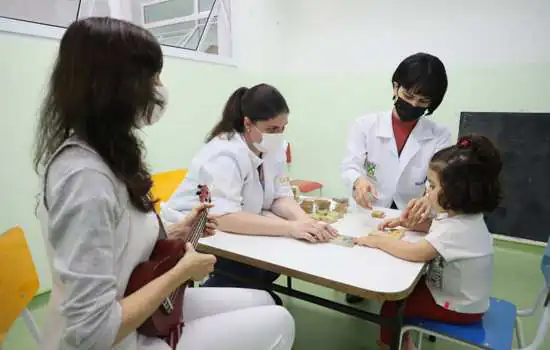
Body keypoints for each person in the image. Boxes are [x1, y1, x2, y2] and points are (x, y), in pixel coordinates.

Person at [34, 17, 294, 350]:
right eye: (152, 76)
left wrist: (176, 233)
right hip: (120, 339)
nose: (160, 88)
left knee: (264, 302)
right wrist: (180, 272)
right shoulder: (84, 178)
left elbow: (117, 247)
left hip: (139, 306)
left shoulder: (109, 154)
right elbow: (91, 332)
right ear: (114, 85)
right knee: (279, 321)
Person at [161, 83, 338, 296]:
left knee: (268, 267)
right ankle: (215, 293)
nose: (279, 134)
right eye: (272, 129)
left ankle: (247, 291)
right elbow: (224, 217)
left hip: (238, 224)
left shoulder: (273, 148)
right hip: (196, 232)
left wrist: (305, 222)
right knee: (251, 270)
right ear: (248, 124)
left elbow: (280, 196)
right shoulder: (224, 154)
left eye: (283, 127)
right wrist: (290, 228)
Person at [354, 135, 502, 349]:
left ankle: (393, 345)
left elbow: (416, 252)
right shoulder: (463, 217)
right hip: (460, 294)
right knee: (403, 285)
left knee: (392, 308)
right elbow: (435, 227)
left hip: (460, 307)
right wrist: (405, 224)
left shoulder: (456, 228)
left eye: (432, 186)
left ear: (457, 192)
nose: (426, 191)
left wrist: (377, 241)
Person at [340, 52, 453, 303]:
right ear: (395, 87)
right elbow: (350, 165)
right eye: (408, 95)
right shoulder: (365, 125)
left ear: (432, 104)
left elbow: (441, 179)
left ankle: (404, 298)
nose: (413, 105)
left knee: (404, 268)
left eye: (422, 101)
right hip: (371, 208)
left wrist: (428, 198)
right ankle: (360, 288)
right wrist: (358, 181)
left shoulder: (440, 136)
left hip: (412, 214)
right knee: (363, 262)